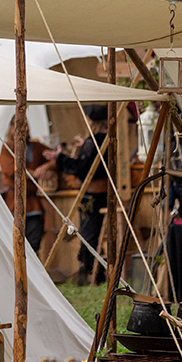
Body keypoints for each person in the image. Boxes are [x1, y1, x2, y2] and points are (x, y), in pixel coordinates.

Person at [43, 104, 109, 284]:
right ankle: (95, 273)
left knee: (89, 236)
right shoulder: (107, 139)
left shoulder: (93, 142)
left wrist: (60, 157)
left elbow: (80, 169)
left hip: (92, 197)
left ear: (91, 121)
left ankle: (93, 274)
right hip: (103, 196)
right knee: (93, 235)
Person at [0, 120, 53, 253]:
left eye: (27, 125)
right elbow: (12, 170)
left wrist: (46, 167)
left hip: (33, 204)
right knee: (12, 245)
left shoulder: (37, 147)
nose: (25, 129)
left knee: (33, 245)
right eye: (21, 125)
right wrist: (35, 173)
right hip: (13, 204)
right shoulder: (6, 148)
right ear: (12, 128)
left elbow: (56, 158)